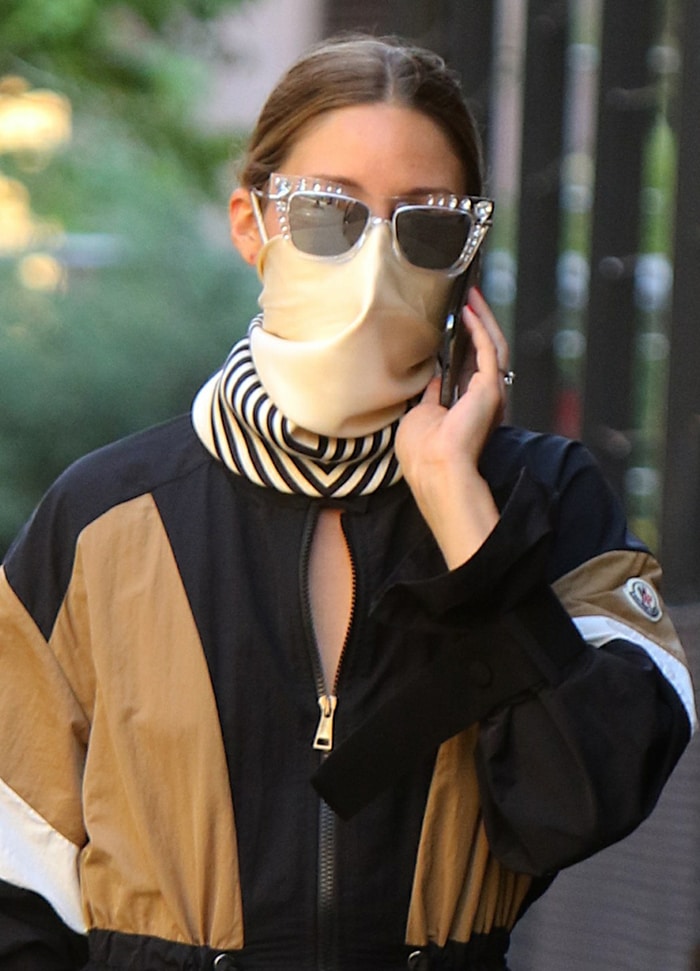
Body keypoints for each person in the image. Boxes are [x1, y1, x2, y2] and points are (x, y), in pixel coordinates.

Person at [0, 33, 695, 971]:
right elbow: (14, 883)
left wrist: (467, 522)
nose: (374, 261)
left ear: (467, 255)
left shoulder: (549, 503)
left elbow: (580, 805)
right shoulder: (99, 520)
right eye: (329, 211)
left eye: (426, 225)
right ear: (252, 225)